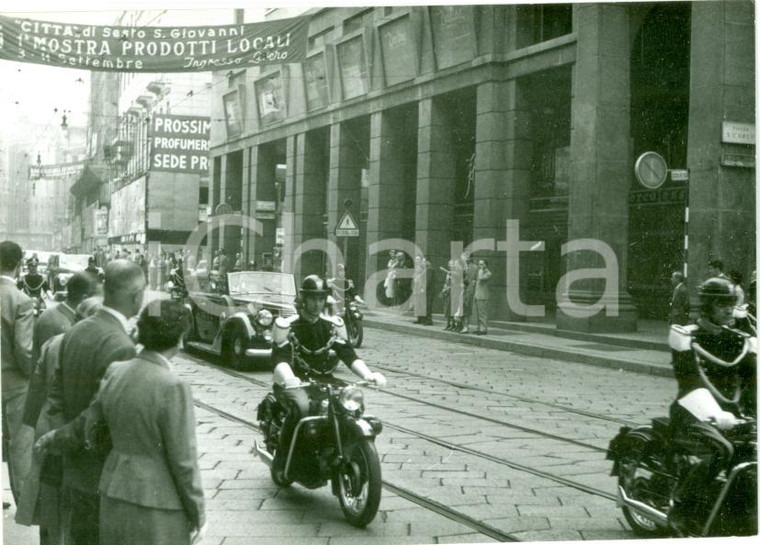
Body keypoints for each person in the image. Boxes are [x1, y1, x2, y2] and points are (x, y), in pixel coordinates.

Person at [38, 300, 206, 545]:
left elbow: (87, 422)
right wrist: (198, 512)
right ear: (180, 339)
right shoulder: (174, 386)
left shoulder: (116, 371)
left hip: (113, 492)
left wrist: (53, 437)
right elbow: (184, 460)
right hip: (157, 504)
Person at [37, 259, 145, 545]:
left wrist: (60, 438)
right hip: (104, 476)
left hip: (74, 471)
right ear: (136, 295)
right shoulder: (121, 345)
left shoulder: (75, 331)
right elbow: (110, 417)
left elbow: (56, 396)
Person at [268, 275, 387, 481]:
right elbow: (280, 358)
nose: (317, 303)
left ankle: (342, 451)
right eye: (313, 298)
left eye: (321, 298)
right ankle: (282, 460)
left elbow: (349, 355)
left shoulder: (331, 325)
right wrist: (288, 377)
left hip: (325, 381)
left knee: (353, 405)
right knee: (303, 408)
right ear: (303, 299)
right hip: (296, 383)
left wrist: (368, 374)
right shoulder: (288, 325)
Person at [666, 277, 756, 534]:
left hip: (733, 416)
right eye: (721, 303)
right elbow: (691, 381)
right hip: (692, 413)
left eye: (732, 303)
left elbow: (753, 382)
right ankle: (681, 508)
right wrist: (717, 414)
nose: (729, 309)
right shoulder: (685, 335)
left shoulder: (739, 339)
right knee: (722, 451)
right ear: (707, 306)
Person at [17, 297, 102, 545]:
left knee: (50, 507)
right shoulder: (93, 347)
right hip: (75, 436)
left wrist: (32, 427)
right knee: (76, 509)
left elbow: (36, 392)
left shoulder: (53, 344)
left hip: (50, 432)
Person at [1, 240, 35, 506]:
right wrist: (31, 374)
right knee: (19, 442)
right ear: (18, 265)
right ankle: (24, 502)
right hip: (13, 380)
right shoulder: (21, 300)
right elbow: (24, 349)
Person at [473, 258, 492, 335]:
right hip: (478, 295)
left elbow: (481, 279)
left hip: (483, 296)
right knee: (478, 313)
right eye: (479, 264)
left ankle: (483, 329)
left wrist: (481, 271)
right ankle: (479, 328)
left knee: (482, 313)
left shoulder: (488, 273)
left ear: (486, 265)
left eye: (481, 264)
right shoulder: (480, 271)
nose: (479, 266)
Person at [460, 252, 478, 334]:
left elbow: (475, 281)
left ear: (471, 258)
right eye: (464, 256)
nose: (465, 258)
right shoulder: (461, 267)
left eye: (467, 256)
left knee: (467, 307)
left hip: (469, 290)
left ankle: (466, 326)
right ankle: (461, 325)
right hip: (461, 290)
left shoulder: (475, 268)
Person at [439, 260, 454, 330]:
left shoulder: (454, 273)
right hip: (447, 292)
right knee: (446, 308)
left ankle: (453, 324)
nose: (450, 266)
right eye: (449, 264)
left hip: (452, 292)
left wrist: (448, 288)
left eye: (452, 264)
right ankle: (448, 324)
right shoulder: (448, 273)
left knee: (451, 308)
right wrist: (444, 289)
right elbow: (446, 282)